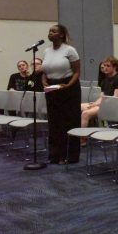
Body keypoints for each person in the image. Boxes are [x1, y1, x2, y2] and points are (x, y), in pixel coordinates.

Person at [42, 24, 81, 165]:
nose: (50, 33)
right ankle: (55, 155)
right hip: (52, 87)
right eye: (49, 31)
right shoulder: (46, 51)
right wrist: (44, 81)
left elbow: (77, 71)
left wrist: (69, 85)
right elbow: (44, 71)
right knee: (54, 122)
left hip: (68, 87)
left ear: (61, 35)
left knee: (68, 122)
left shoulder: (70, 50)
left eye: (53, 31)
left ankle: (69, 156)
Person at [80, 56, 118, 130]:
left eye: (108, 66)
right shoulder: (105, 80)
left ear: (114, 67)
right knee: (80, 107)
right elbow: (102, 96)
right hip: (103, 104)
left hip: (113, 106)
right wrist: (94, 104)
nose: (105, 68)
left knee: (85, 114)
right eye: (104, 66)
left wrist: (98, 104)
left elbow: (115, 98)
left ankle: (82, 137)